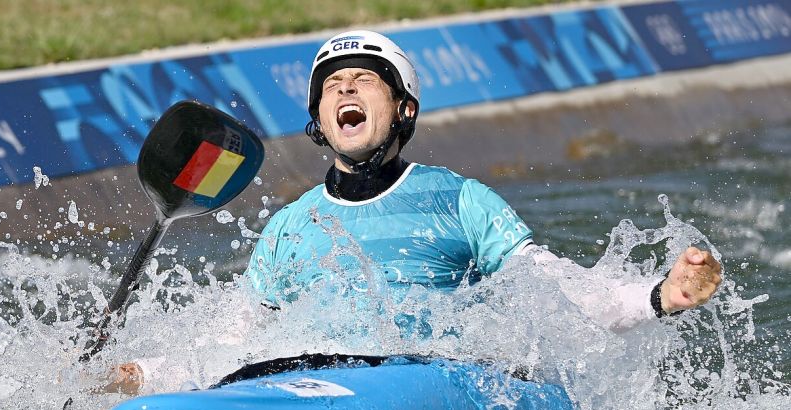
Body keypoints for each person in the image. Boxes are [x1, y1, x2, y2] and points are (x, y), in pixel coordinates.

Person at [245, 30, 722, 332]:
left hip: (431, 396)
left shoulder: (461, 201)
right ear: (321, 122)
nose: (345, 88)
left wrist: (660, 296)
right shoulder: (288, 226)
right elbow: (234, 335)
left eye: (365, 80)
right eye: (332, 85)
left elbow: (557, 295)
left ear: (404, 109)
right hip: (324, 398)